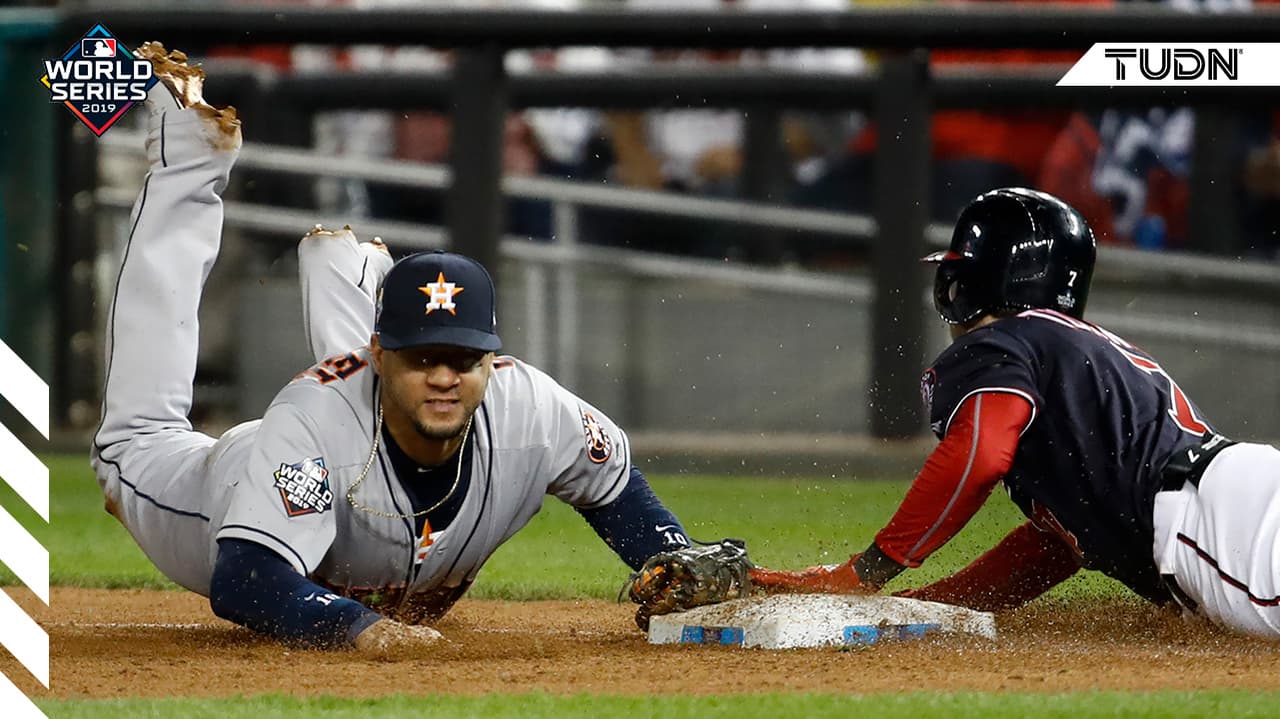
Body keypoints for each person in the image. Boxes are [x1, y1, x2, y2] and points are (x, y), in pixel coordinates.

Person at [91, 43, 698, 657]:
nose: (444, 376)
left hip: (350, 436)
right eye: (423, 358)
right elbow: (247, 582)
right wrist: (363, 630)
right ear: (383, 355)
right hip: (229, 484)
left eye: (463, 360)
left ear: (494, 359)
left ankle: (344, 263)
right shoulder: (312, 423)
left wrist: (683, 570)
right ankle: (184, 160)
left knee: (366, 423)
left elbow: (623, 499)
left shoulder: (534, 413)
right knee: (131, 441)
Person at [750, 187, 1280, 639]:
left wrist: (865, 573)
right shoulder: (1066, 351)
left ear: (983, 285)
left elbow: (979, 456)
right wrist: (928, 603)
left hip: (1215, 526)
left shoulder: (1000, 343)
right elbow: (1056, 545)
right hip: (1234, 501)